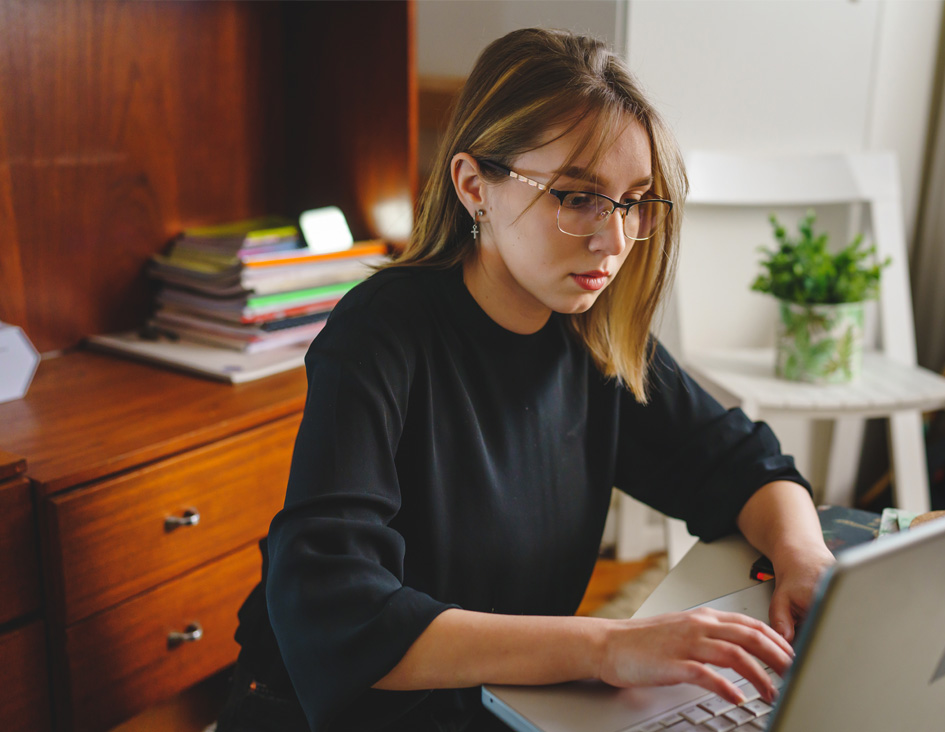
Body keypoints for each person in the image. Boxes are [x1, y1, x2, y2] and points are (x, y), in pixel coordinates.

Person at [217, 27, 837, 732]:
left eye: (634, 200)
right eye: (578, 197)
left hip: (504, 702)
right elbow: (337, 611)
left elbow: (739, 460)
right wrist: (608, 647)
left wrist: (806, 557)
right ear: (474, 186)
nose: (616, 240)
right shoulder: (379, 334)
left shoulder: (590, 332)